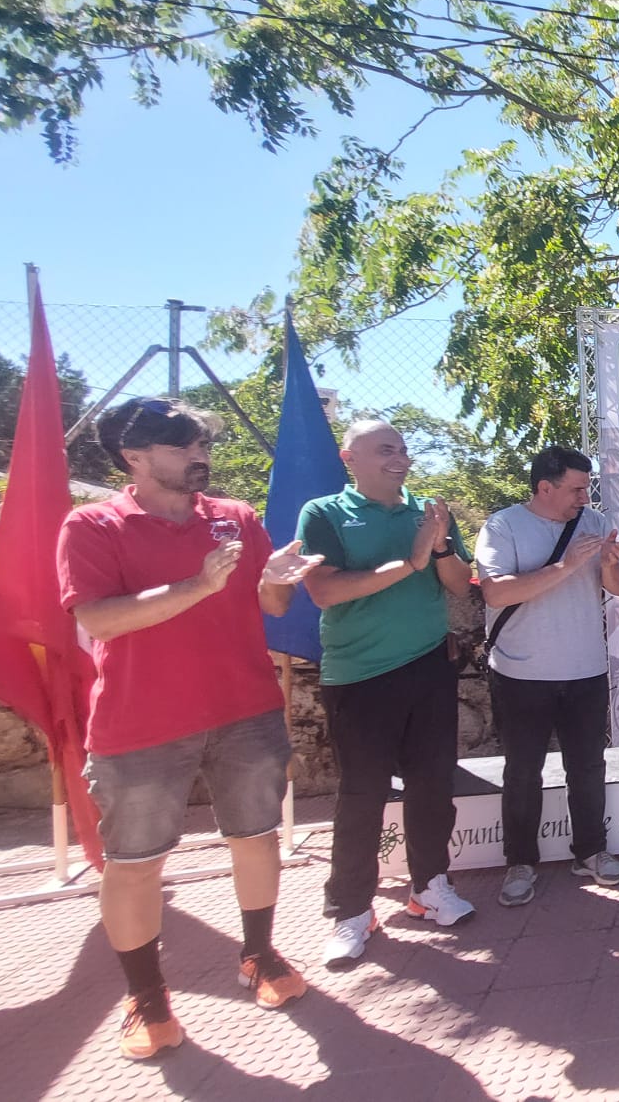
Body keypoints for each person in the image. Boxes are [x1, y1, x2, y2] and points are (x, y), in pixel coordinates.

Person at [59, 397, 325, 1059]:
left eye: (202, 443)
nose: (200, 456)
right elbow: (99, 620)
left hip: (246, 713)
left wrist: (277, 581)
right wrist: (196, 587)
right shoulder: (91, 525)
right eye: (183, 447)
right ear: (135, 457)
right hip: (139, 727)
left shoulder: (234, 519)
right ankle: (147, 999)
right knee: (135, 866)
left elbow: (268, 602)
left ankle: (259, 955)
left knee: (257, 841)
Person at [297, 419, 478, 969]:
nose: (399, 458)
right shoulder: (325, 513)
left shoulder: (427, 511)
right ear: (349, 457)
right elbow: (324, 590)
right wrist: (409, 562)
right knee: (362, 796)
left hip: (427, 667)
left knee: (431, 786)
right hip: (357, 675)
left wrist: (440, 544)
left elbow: (460, 585)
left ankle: (429, 887)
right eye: (384, 450)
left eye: (402, 449)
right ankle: (352, 911)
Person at [477, 446, 619, 906]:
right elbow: (495, 592)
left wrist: (609, 566)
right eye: (576, 488)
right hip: (520, 673)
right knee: (522, 772)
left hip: (586, 668)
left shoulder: (596, 522)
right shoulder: (503, 525)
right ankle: (520, 862)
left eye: (588, 487)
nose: (585, 497)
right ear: (544, 487)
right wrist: (564, 568)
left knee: (587, 768)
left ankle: (591, 851)